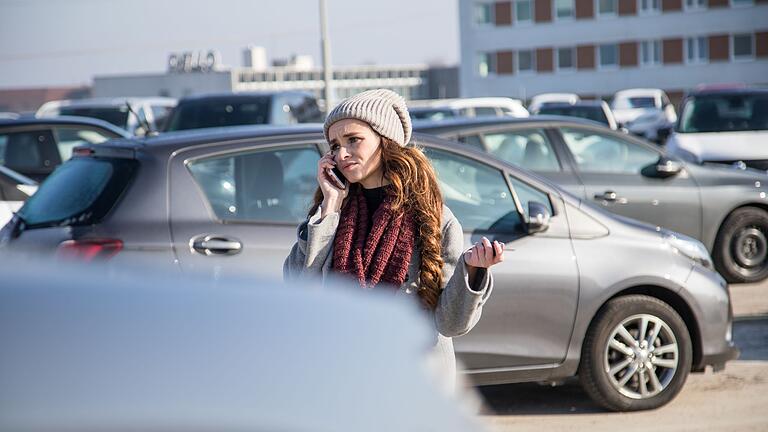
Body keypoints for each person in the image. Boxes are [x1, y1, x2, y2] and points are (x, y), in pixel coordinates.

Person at [283, 89, 504, 389]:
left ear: (384, 139)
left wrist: (473, 271)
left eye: (353, 139)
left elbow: (451, 324)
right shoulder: (331, 214)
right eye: (334, 145)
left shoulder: (432, 217)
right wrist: (329, 205)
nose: (341, 153)